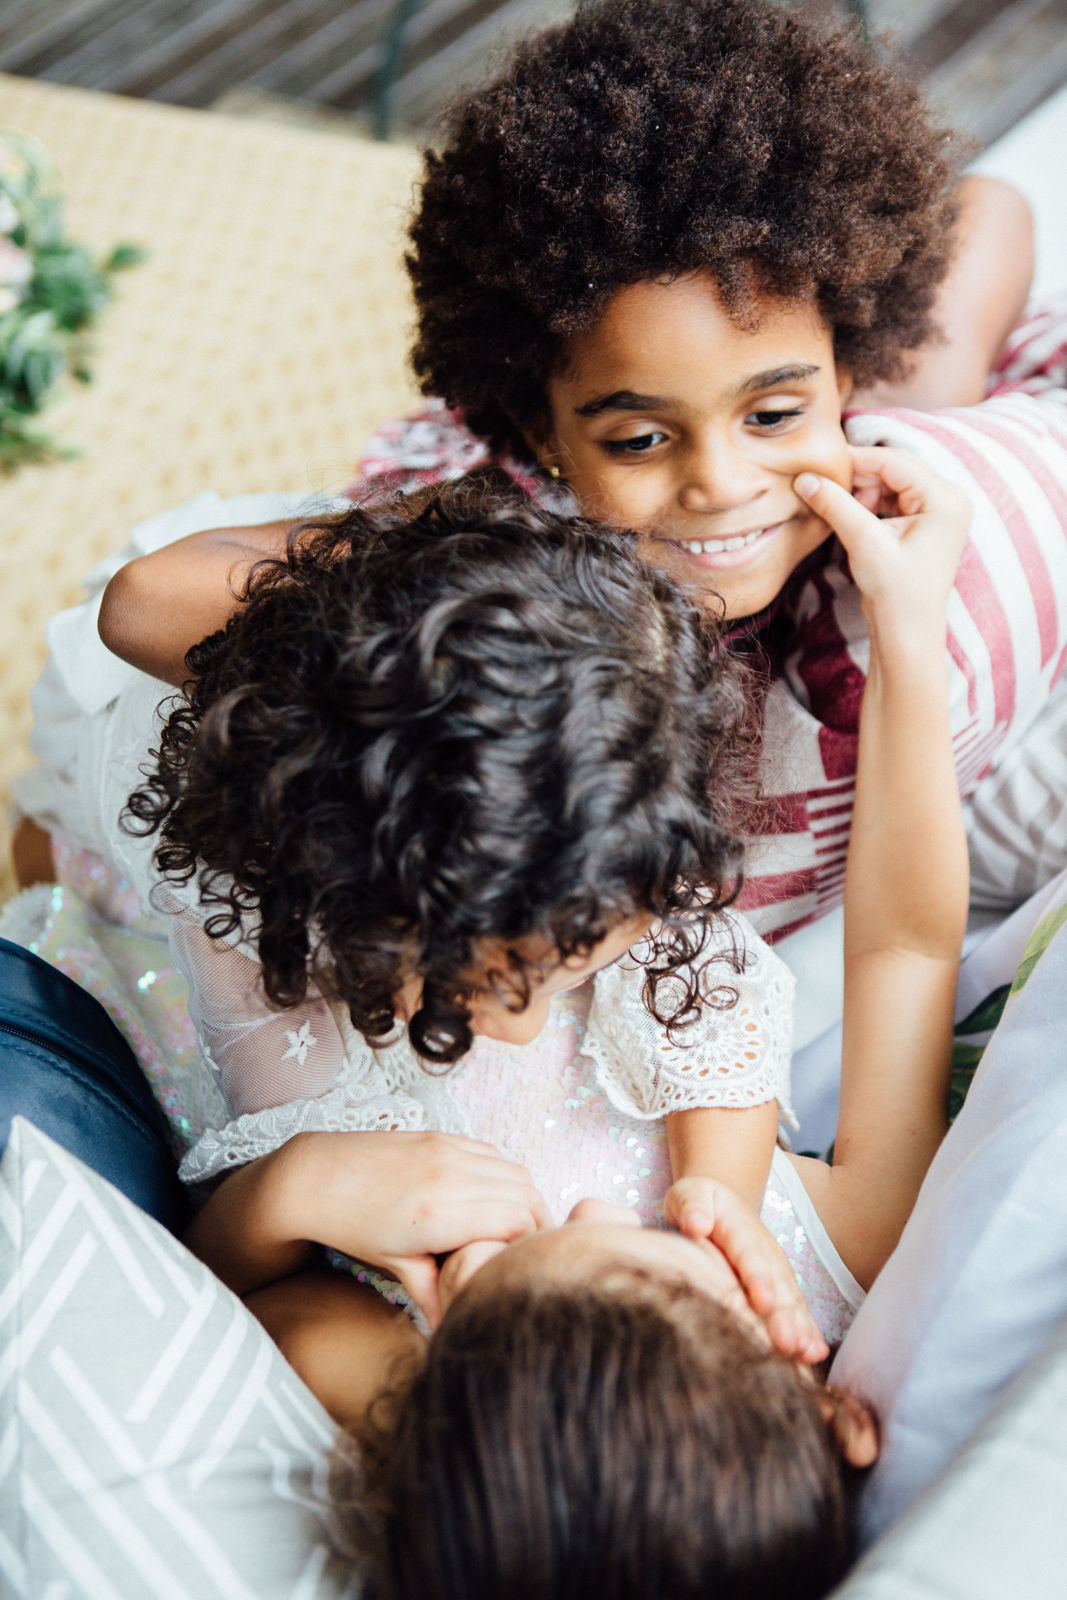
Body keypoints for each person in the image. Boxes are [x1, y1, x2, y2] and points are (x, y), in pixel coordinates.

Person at [86, 0, 1064, 963]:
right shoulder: (506, 551)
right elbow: (140, 602)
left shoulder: (898, 412)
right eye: (640, 439)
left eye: (768, 416)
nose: (720, 481)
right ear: (538, 433)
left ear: (846, 365)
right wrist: (489, 569)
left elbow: (996, 210)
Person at [178, 447, 970, 1600]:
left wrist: (291, 1190)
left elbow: (209, 1281)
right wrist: (908, 629)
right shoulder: (856, 1248)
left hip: (313, 887)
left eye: (502, 1276)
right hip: (531, 797)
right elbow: (905, 948)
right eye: (647, 1263)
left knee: (185, 737)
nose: (593, 1205)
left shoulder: (400, 1384)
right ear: (830, 1406)